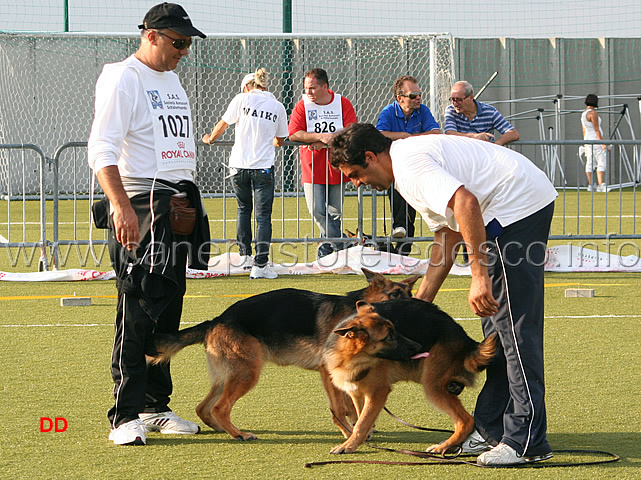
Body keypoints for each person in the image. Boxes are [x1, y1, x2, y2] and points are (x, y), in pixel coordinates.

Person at [329, 123, 557, 467]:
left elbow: (466, 201)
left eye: (356, 174)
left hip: (517, 207)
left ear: (372, 157)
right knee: (496, 332)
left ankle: (526, 441)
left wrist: (478, 274)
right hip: (510, 205)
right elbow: (448, 239)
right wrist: (419, 305)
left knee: (514, 331)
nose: (358, 184)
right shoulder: (405, 169)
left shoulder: (410, 167)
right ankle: (493, 430)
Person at [88, 3, 210, 446]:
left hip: (177, 203)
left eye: (188, 43)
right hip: (140, 200)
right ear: (151, 35)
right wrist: (119, 205)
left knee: (169, 308)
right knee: (137, 308)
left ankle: (154, 406)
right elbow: (101, 147)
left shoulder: (172, 78)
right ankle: (123, 415)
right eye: (178, 42)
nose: (184, 50)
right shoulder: (123, 76)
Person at [202, 68, 288, 279]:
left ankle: (245, 256)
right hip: (262, 166)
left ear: (248, 87)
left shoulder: (241, 100)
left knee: (243, 210)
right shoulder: (277, 106)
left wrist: (210, 139)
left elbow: (222, 125)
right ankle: (261, 264)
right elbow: (280, 140)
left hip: (238, 165)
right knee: (263, 216)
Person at [288, 68, 357, 258]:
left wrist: (330, 139)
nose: (308, 92)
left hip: (338, 166)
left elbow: (351, 129)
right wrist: (319, 137)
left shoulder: (342, 103)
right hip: (312, 167)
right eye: (306, 88)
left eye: (312, 88)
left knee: (335, 213)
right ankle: (343, 244)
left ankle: (326, 251)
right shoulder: (302, 106)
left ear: (325, 87)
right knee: (317, 210)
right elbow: (294, 132)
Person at [376, 75, 441, 254]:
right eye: (413, 96)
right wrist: (406, 136)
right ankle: (402, 235)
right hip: (395, 164)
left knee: (413, 199)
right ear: (400, 98)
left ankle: (403, 239)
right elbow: (381, 134)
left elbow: (436, 132)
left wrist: (409, 138)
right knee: (398, 190)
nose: (418, 98)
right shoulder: (389, 112)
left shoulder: (423, 111)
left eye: (419, 94)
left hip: (418, 164)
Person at [444, 80, 519, 146]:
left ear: (471, 97)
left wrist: (497, 144)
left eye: (459, 100)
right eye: (452, 99)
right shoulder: (451, 110)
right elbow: (450, 134)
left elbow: (513, 133)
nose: (455, 103)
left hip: (484, 157)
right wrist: (475, 136)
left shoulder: (489, 111)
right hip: (462, 156)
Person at [581, 94, 607, 192]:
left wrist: (584, 142)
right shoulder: (593, 113)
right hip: (595, 140)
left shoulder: (583, 114)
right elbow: (597, 130)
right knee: (601, 161)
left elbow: (584, 130)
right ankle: (601, 184)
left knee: (590, 162)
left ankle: (591, 184)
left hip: (588, 139)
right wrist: (602, 143)